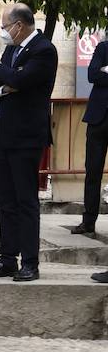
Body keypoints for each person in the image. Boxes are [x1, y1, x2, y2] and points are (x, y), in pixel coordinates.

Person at [0, 4, 57, 283]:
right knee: (6, 199)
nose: (4, 32)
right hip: (3, 133)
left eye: (5, 26)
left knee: (25, 200)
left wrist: (2, 72)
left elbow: (21, 79)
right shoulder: (12, 49)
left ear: (19, 25)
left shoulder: (43, 49)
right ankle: (7, 258)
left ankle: (30, 262)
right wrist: (5, 85)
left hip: (26, 137)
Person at [72, 34, 108, 239]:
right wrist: (102, 71)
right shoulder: (103, 48)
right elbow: (92, 74)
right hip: (98, 119)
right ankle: (88, 221)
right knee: (92, 172)